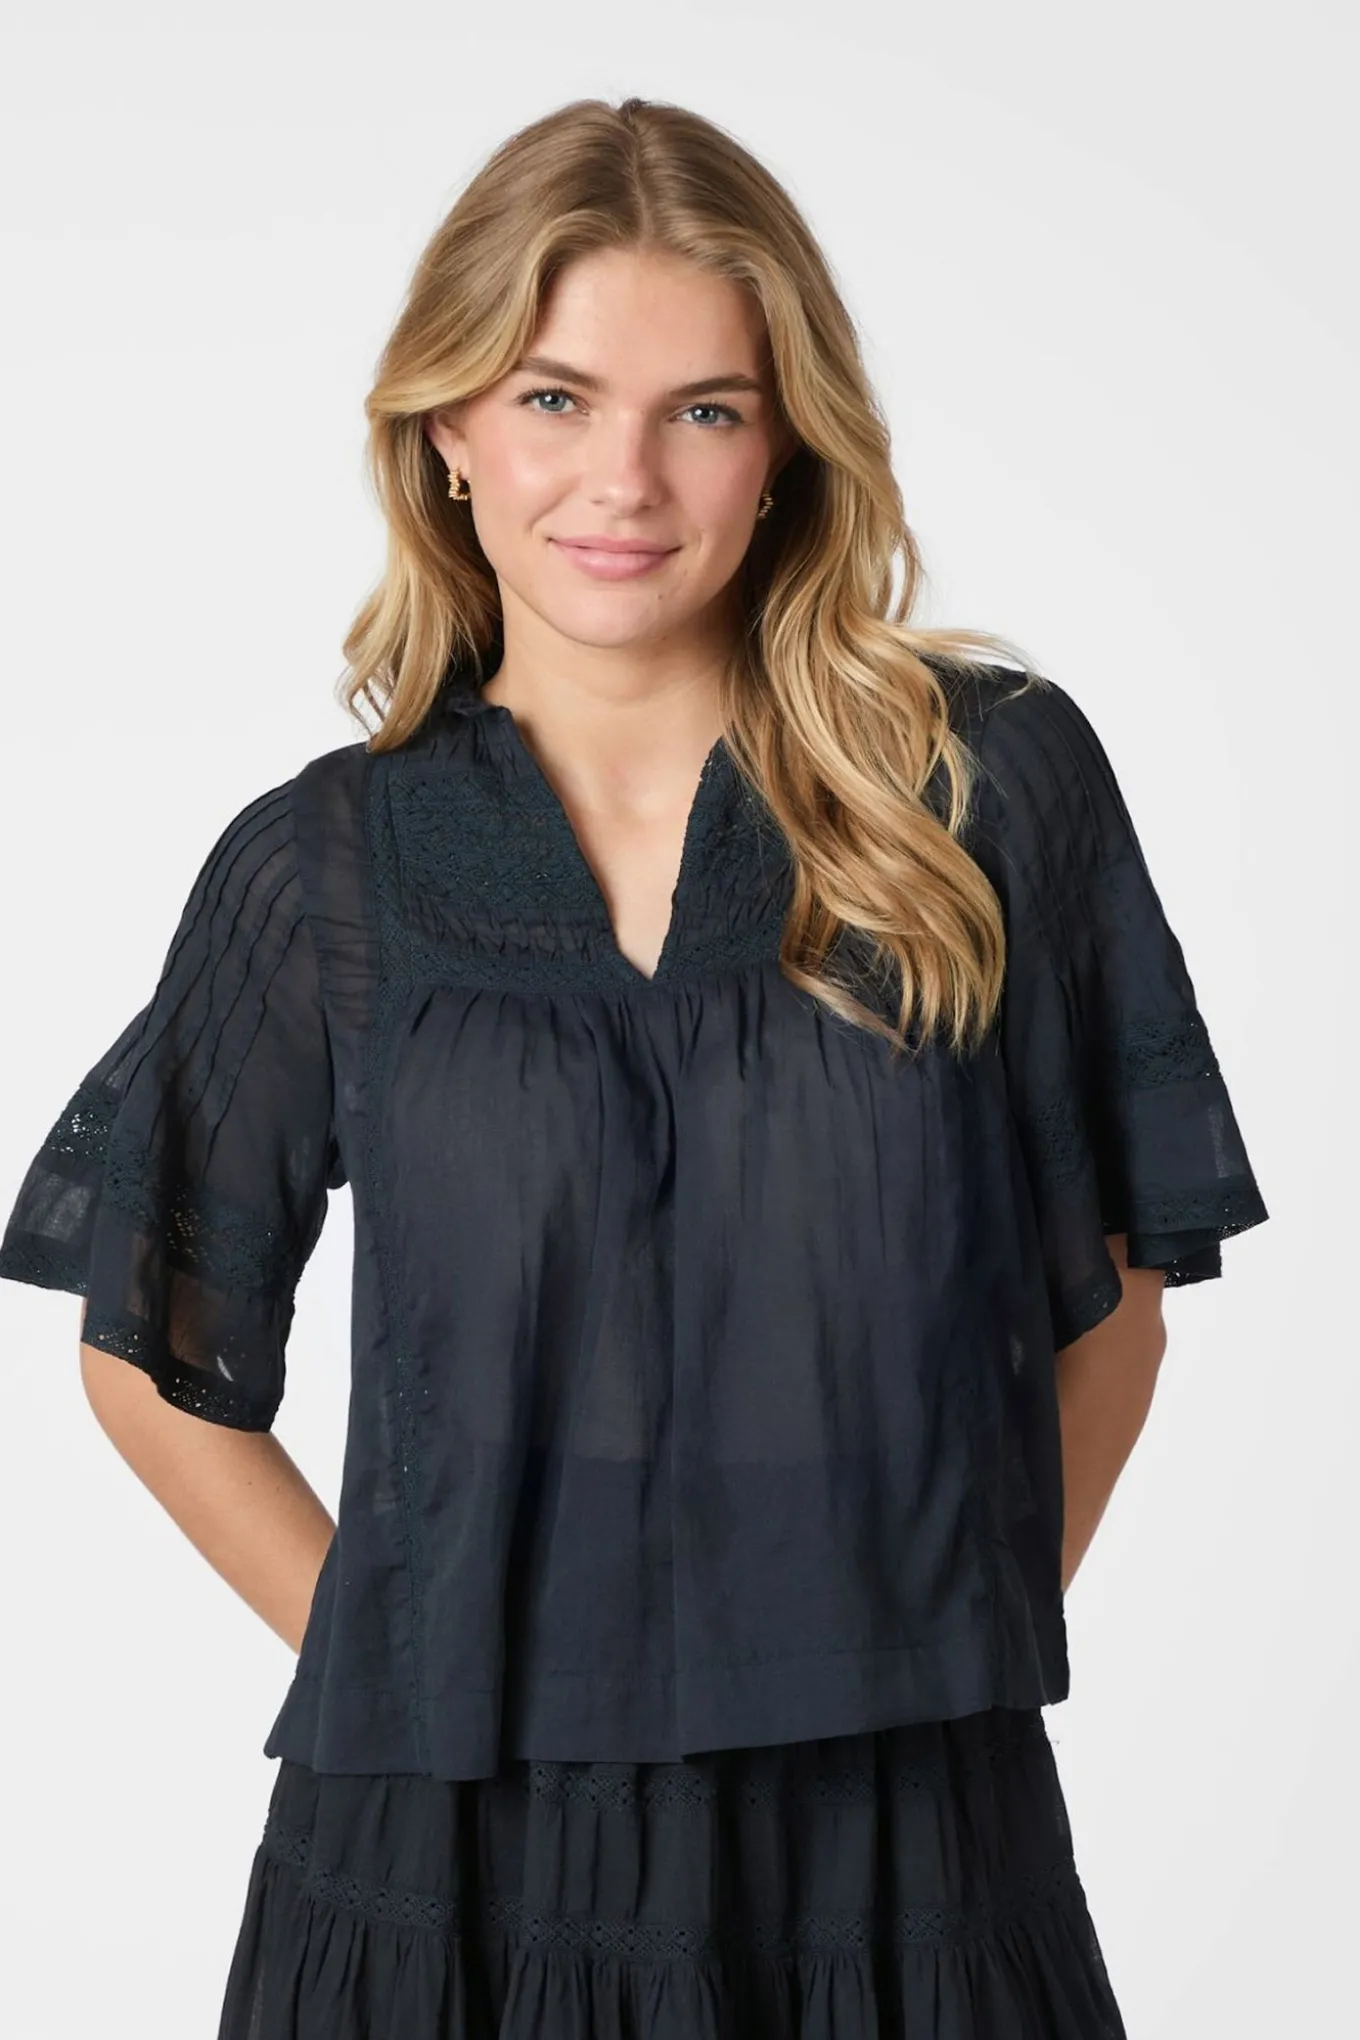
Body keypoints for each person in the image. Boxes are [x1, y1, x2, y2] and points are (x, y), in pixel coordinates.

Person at [0, 94, 1269, 2039]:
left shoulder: (981, 788)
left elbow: (1112, 1300)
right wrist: (408, 1664)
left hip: (910, 1841)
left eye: (704, 408)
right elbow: (148, 1348)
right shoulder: (329, 863)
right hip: (438, 1861)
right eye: (554, 398)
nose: (625, 480)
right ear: (446, 428)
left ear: (784, 446)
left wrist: (930, 1640)